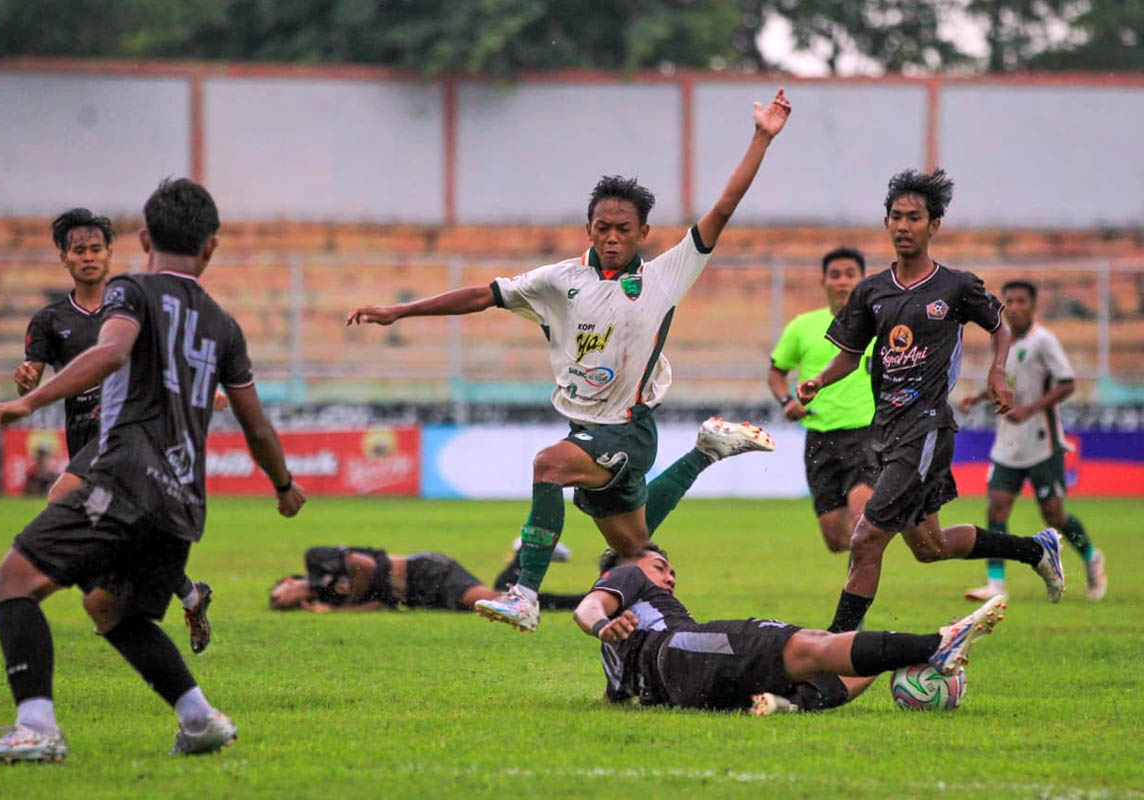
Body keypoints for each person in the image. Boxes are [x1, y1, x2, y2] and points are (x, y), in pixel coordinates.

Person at [347, 88, 792, 632]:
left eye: (623, 229)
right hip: (587, 426)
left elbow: (722, 209)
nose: (611, 237)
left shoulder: (663, 276)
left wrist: (760, 138)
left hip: (626, 429)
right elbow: (483, 295)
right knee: (633, 542)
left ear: (642, 233)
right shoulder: (560, 280)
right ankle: (705, 450)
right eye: (601, 227)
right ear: (588, 229)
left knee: (546, 466)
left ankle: (524, 595)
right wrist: (399, 311)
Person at [0, 178, 306, 764]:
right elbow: (256, 426)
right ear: (211, 247)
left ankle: (36, 728)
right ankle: (199, 719)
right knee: (111, 611)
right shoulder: (224, 325)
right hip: (182, 506)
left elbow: (112, 351)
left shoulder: (131, 292)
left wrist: (29, 402)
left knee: (11, 586)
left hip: (121, 479)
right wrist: (283, 484)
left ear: (144, 238)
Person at [797, 169, 1066, 633]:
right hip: (884, 430)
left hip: (925, 429)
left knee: (865, 539)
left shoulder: (955, 287)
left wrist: (997, 370)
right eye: (896, 217)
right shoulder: (871, 291)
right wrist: (819, 381)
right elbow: (851, 353)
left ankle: (833, 654)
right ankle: (1035, 549)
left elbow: (999, 325)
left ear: (933, 225)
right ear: (886, 223)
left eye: (914, 218)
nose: (903, 226)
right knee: (929, 547)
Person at [17, 208, 220, 654]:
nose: (88, 257)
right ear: (64, 258)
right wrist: (28, 378)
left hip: (130, 430)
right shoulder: (51, 320)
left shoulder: (133, 303)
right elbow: (32, 364)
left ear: (110, 253)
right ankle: (189, 594)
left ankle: (89, 592)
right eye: (79, 250)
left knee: (60, 500)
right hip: (85, 437)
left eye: (96, 249)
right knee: (128, 533)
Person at [573, 545, 1006, 714]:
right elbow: (587, 607)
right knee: (807, 646)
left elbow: (618, 694)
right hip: (682, 650)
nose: (668, 578)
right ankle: (938, 644)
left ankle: (786, 704)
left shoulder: (617, 653)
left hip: (682, 687)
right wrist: (602, 623)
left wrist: (609, 633)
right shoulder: (629, 576)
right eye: (661, 567)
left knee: (819, 661)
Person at [958, 280, 1107, 602]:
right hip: (1009, 442)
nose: (1013, 307)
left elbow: (1067, 383)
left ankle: (1091, 556)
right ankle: (995, 583)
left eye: (1020, 301)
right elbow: (1007, 381)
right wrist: (979, 396)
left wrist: (1030, 409)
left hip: (1043, 441)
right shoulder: (1003, 340)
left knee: (1053, 514)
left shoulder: (1044, 341)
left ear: (1032, 305)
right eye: (1008, 301)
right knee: (997, 507)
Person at [768, 247, 877, 552]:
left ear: (863, 279)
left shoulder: (878, 325)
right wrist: (787, 401)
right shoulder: (803, 327)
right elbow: (776, 372)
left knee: (861, 520)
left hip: (866, 435)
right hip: (819, 438)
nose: (843, 282)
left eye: (850, 275)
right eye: (836, 275)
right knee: (836, 541)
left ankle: (857, 595)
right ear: (823, 281)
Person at [269, 546, 584, 613]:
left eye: (276, 594)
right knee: (499, 602)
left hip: (426, 571)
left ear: (286, 580)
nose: (280, 600)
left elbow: (362, 564)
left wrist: (346, 602)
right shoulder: (327, 600)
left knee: (498, 603)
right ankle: (584, 602)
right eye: (279, 606)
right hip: (420, 597)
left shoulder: (314, 560)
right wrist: (337, 611)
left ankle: (528, 552)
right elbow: (378, 605)